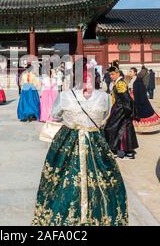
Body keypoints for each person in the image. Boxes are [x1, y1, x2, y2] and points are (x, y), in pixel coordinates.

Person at [32, 62, 128, 226]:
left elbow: (54, 115)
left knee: (61, 179)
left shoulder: (64, 96)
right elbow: (105, 117)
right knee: (104, 181)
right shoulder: (104, 97)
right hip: (95, 141)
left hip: (68, 140)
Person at [104, 65, 139, 159]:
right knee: (122, 129)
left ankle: (118, 150)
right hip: (120, 108)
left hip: (121, 109)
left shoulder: (120, 84)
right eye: (110, 74)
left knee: (112, 127)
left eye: (112, 74)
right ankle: (126, 151)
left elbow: (126, 98)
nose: (111, 76)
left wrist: (128, 111)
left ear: (118, 74)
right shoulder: (118, 82)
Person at [132, 68, 160, 133]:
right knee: (147, 114)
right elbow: (142, 94)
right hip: (143, 102)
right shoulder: (141, 83)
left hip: (137, 102)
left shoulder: (136, 82)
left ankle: (140, 129)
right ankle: (147, 129)